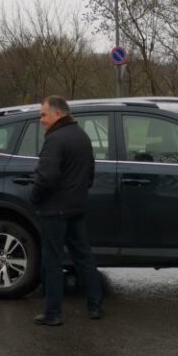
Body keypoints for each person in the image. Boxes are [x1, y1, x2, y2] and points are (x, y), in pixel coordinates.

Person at [31, 95, 103, 326]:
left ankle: (53, 313)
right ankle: (95, 306)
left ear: (58, 114)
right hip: (77, 207)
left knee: (52, 260)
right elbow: (90, 174)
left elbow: (47, 177)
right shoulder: (82, 136)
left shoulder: (54, 140)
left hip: (54, 210)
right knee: (83, 257)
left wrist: (35, 197)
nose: (41, 119)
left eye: (44, 114)